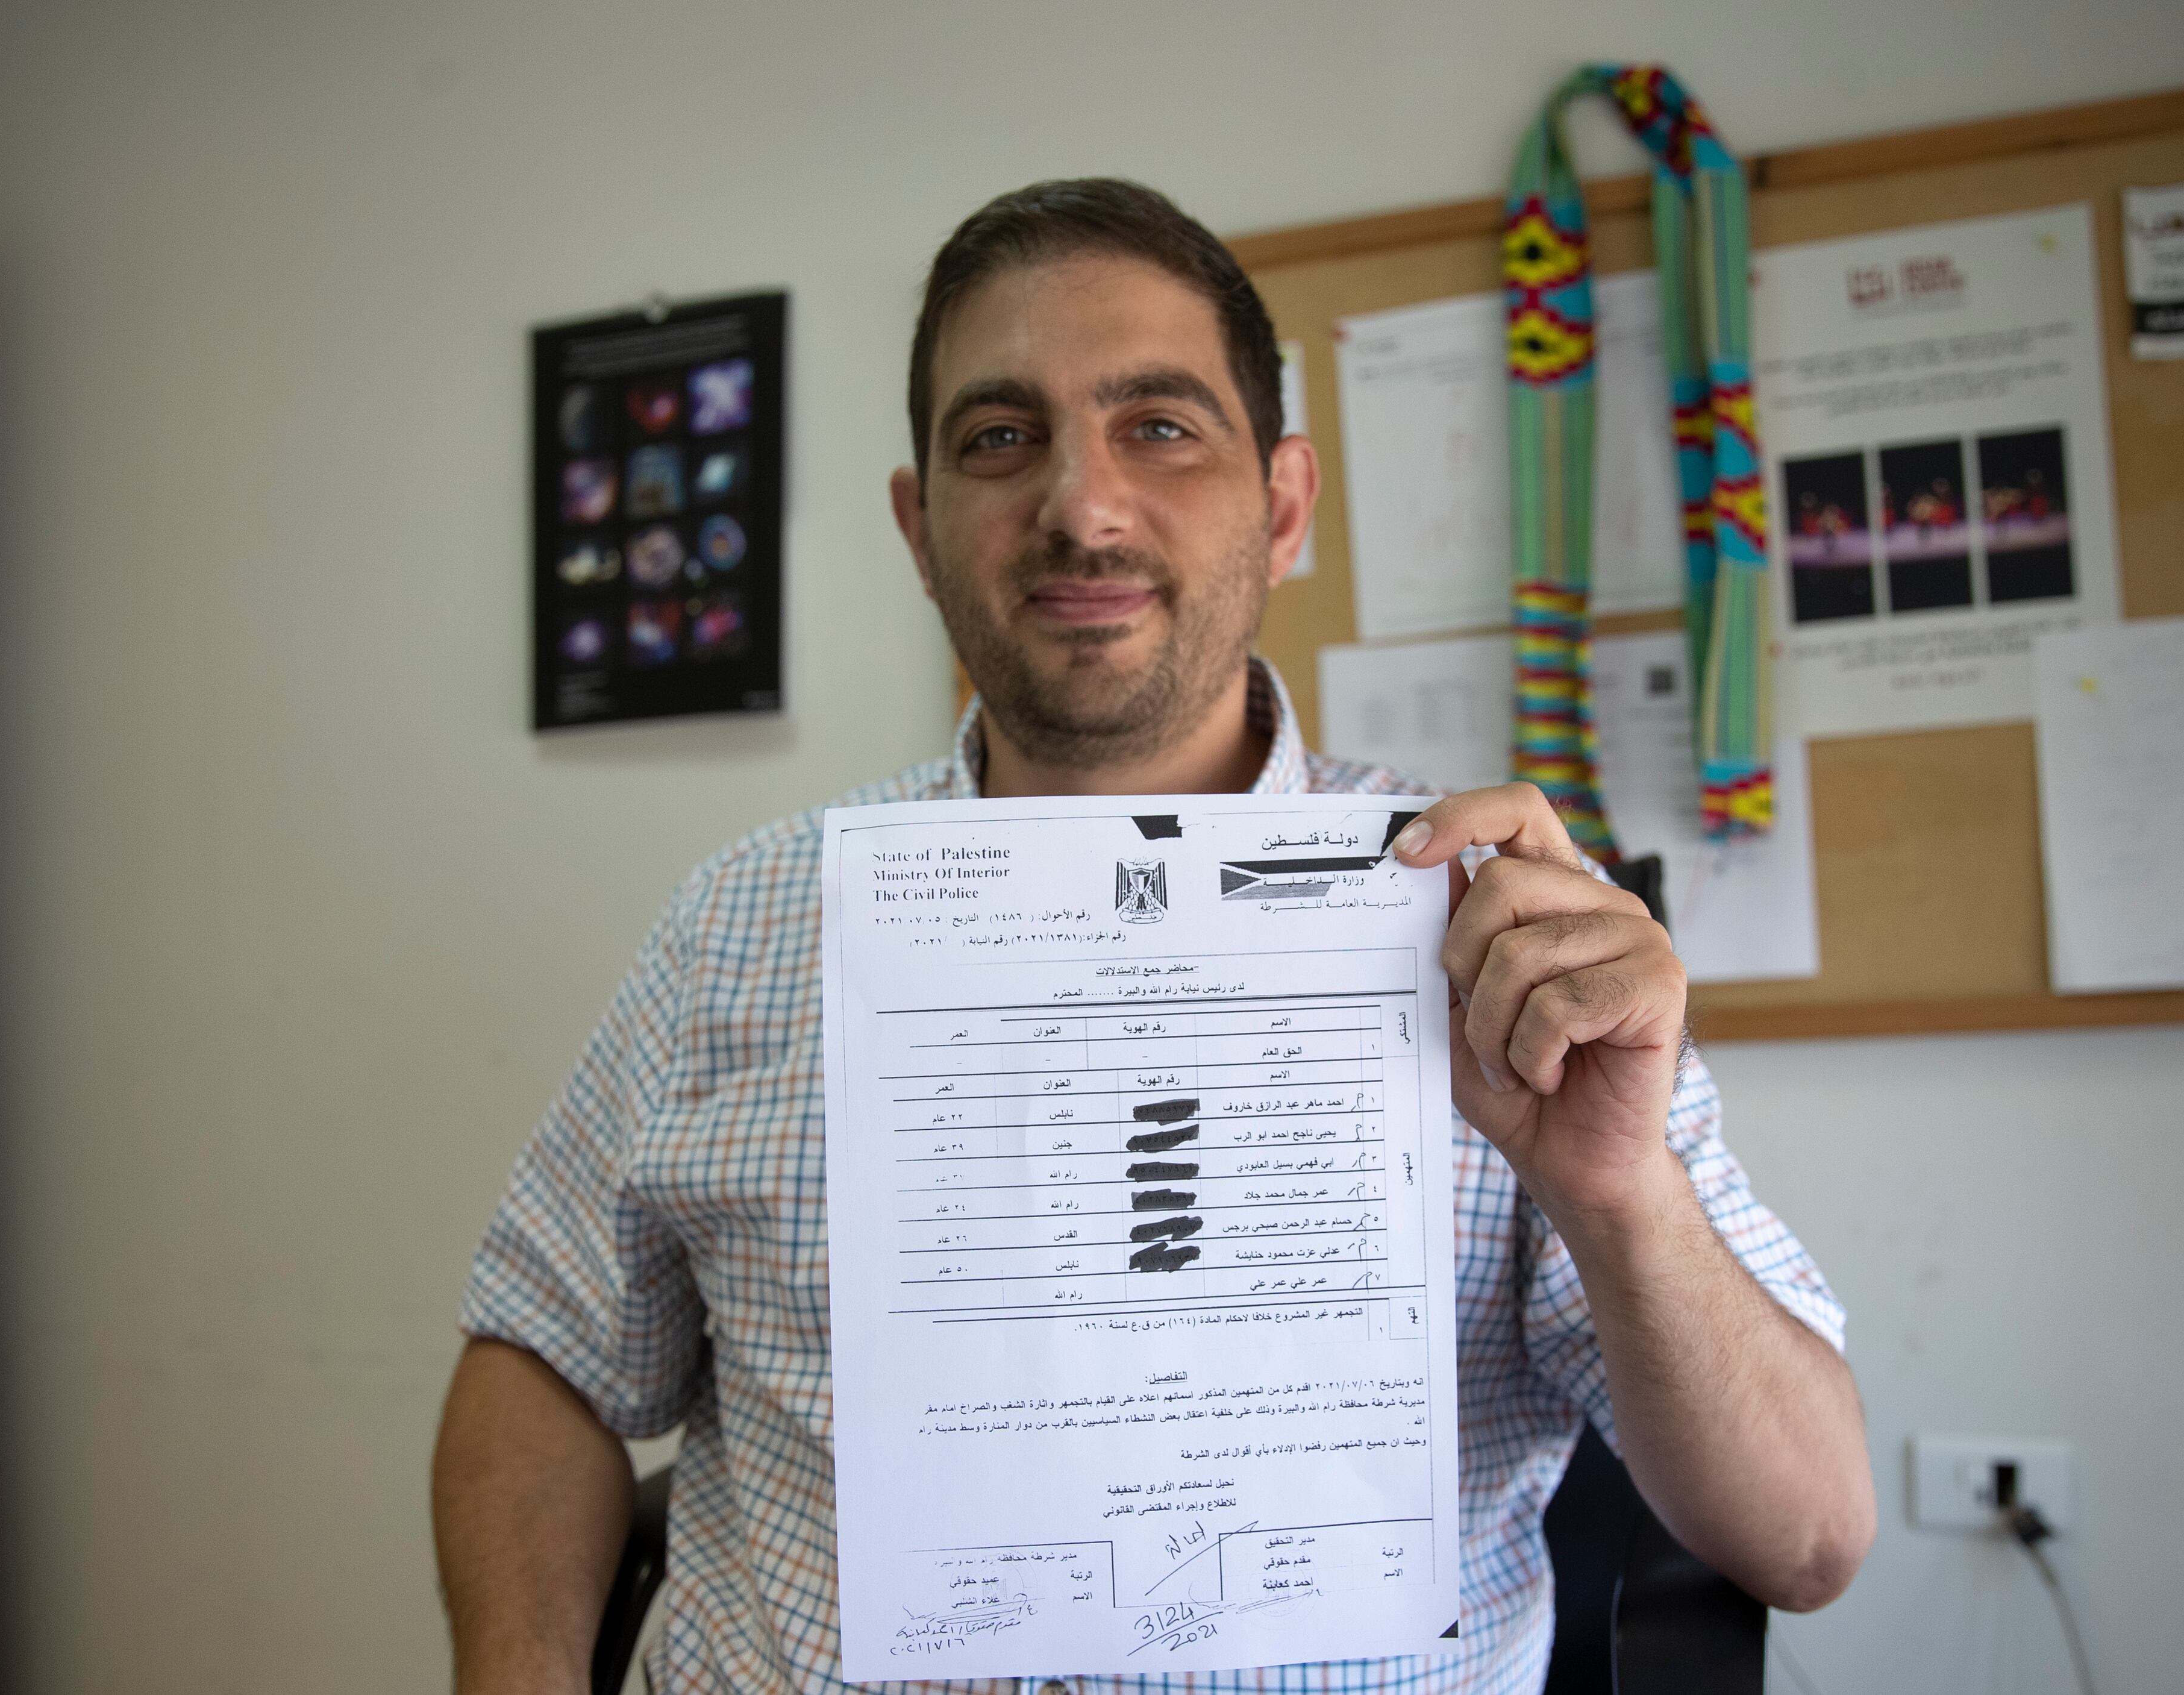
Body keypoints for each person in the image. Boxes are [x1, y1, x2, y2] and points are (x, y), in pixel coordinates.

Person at [432, 178, 1876, 1695]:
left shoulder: (1499, 932)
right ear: (919, 530)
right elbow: (540, 1356)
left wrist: (1621, 1194)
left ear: (1284, 506)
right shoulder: (737, 922)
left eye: (1161, 426)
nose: (1081, 506)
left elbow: (1807, 1540)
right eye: (1001, 438)